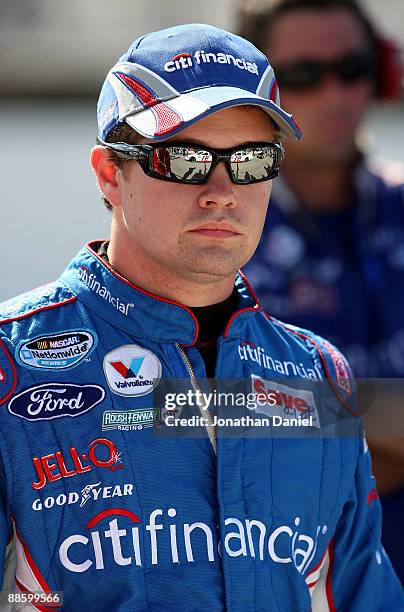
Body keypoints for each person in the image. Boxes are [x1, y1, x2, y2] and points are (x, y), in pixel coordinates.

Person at [0, 23, 402, 611]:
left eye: (251, 160)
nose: (221, 190)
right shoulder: (12, 362)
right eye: (185, 160)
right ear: (111, 173)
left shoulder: (318, 377)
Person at [239, 0, 404, 581]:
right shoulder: (208, 226)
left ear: (382, 74)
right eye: (304, 76)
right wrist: (385, 426)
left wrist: (325, 423)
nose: (334, 94)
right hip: (279, 565)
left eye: (352, 69)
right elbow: (174, 406)